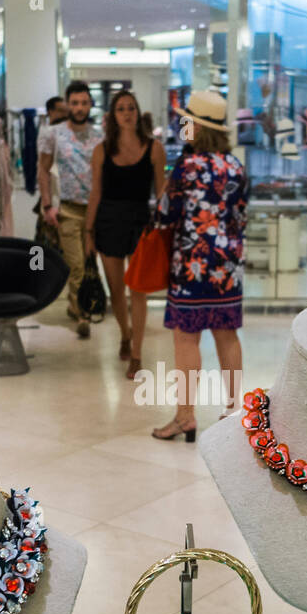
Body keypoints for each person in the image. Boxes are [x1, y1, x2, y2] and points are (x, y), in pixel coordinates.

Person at [151, 90, 247, 442]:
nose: (181, 126)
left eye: (185, 121)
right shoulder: (235, 167)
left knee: (186, 339)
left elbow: (164, 214)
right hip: (227, 267)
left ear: (196, 127)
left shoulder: (186, 169)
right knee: (227, 336)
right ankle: (234, 412)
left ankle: (185, 417)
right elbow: (240, 217)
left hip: (190, 265)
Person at [84, 90, 166, 378]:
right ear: (113, 116)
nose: (127, 113)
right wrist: (88, 231)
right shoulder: (101, 151)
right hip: (108, 221)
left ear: (137, 111)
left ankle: (137, 354)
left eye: (131, 107)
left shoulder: (154, 148)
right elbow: (95, 193)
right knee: (117, 291)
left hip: (140, 222)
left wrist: (166, 227)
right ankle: (125, 334)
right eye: (121, 109)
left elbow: (162, 192)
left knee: (138, 291)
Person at [39, 81, 101, 338]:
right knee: (75, 264)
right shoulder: (54, 134)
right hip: (68, 209)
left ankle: (81, 302)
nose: (79, 107)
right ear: (68, 105)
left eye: (84, 102)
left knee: (90, 262)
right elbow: (43, 169)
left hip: (96, 209)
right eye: (74, 103)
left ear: (90, 104)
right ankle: (82, 312)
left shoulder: (100, 136)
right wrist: (47, 205)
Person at [33, 97, 69, 255]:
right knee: (45, 250)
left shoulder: (68, 133)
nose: (64, 114)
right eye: (60, 110)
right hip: (52, 199)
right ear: (50, 112)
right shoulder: (46, 133)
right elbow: (43, 170)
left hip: (64, 198)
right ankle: (38, 277)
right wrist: (47, 205)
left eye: (65, 110)